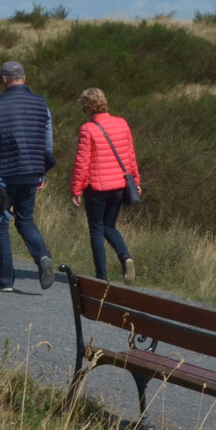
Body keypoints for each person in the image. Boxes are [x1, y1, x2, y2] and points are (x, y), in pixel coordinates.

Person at [0, 60, 58, 291]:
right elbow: (47, 141)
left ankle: (5, 281)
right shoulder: (41, 103)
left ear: (4, 79)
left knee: (0, 224)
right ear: (23, 77)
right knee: (25, 220)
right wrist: (42, 171)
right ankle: (43, 257)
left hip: (4, 173)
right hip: (32, 171)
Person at [70, 87, 139, 284]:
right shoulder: (122, 124)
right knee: (109, 226)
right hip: (119, 185)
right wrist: (137, 182)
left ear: (87, 107)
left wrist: (76, 189)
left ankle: (101, 276)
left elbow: (82, 162)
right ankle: (125, 257)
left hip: (96, 188)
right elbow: (130, 156)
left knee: (96, 230)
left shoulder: (87, 129)